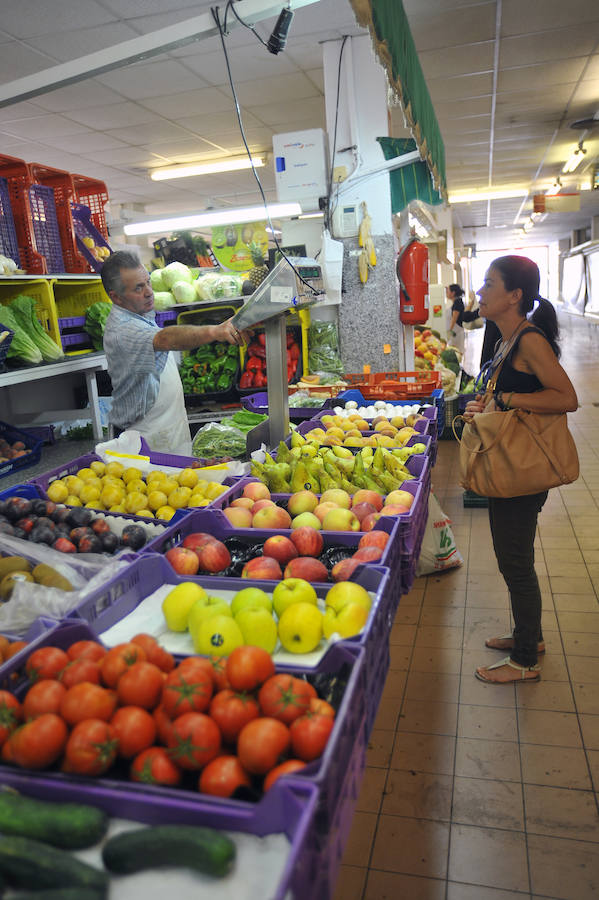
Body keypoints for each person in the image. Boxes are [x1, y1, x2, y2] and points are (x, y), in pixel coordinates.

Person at [463, 255, 578, 684]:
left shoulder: (530, 340)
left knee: (515, 561)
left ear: (514, 296)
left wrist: (507, 402)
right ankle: (528, 635)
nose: (480, 292)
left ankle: (525, 659)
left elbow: (567, 397)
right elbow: (507, 392)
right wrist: (486, 404)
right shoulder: (503, 338)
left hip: (521, 468)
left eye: (488, 285)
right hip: (507, 461)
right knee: (513, 558)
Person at [101, 251, 250, 456]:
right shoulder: (122, 329)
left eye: (147, 282)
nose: (148, 292)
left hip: (169, 429)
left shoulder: (139, 314)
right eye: (138, 288)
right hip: (144, 439)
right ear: (116, 297)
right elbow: (164, 338)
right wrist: (214, 331)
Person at [446, 283, 479, 352]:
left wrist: (450, 331)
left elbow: (454, 317)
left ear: (453, 293)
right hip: (455, 331)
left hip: (456, 332)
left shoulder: (457, 302)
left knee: (456, 352)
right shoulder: (456, 302)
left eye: (448, 291)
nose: (446, 293)